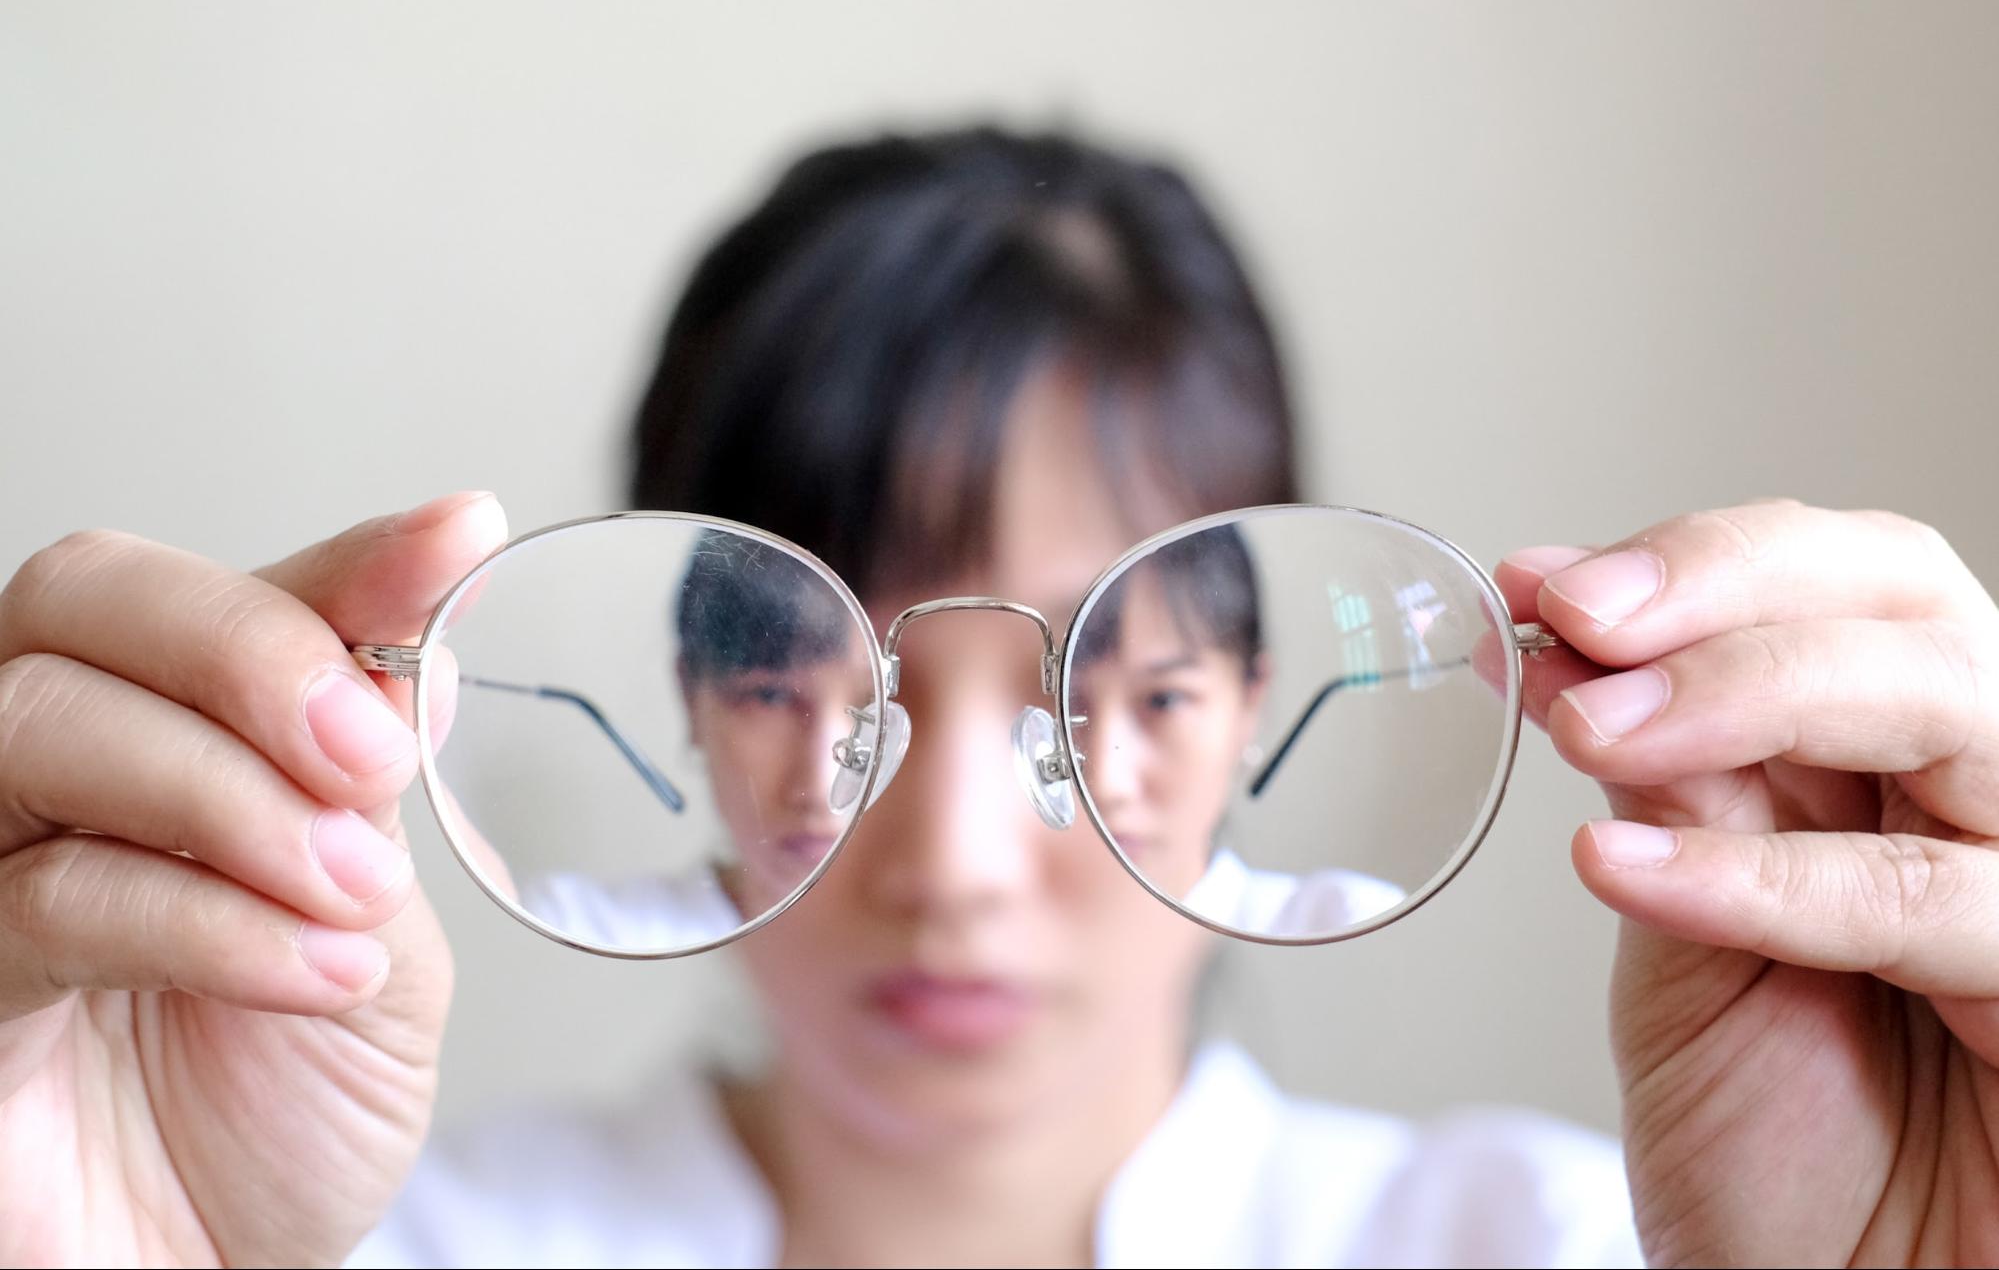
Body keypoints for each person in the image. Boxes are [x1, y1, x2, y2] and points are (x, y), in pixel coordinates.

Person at [0, 127, 1994, 1268]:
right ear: (689, 709)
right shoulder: (336, 1249)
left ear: (1251, 718)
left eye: (1121, 681)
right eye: (801, 675)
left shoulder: (1564, 1246)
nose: (951, 864)